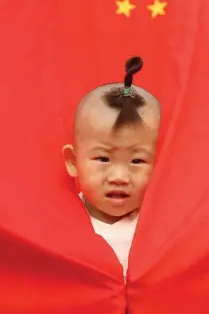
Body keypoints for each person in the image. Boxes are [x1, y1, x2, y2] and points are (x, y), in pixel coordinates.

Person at [62, 57, 161, 278]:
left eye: (137, 161)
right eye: (103, 159)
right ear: (72, 161)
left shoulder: (160, 225)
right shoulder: (59, 222)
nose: (119, 177)